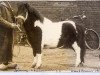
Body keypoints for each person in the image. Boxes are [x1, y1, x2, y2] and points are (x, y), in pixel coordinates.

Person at [0, 2, 18, 70]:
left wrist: (15, 21)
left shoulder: (7, 3)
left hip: (9, 29)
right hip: (2, 29)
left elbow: (11, 15)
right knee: (2, 45)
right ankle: (2, 62)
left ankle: (8, 62)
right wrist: (10, 25)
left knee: (9, 45)